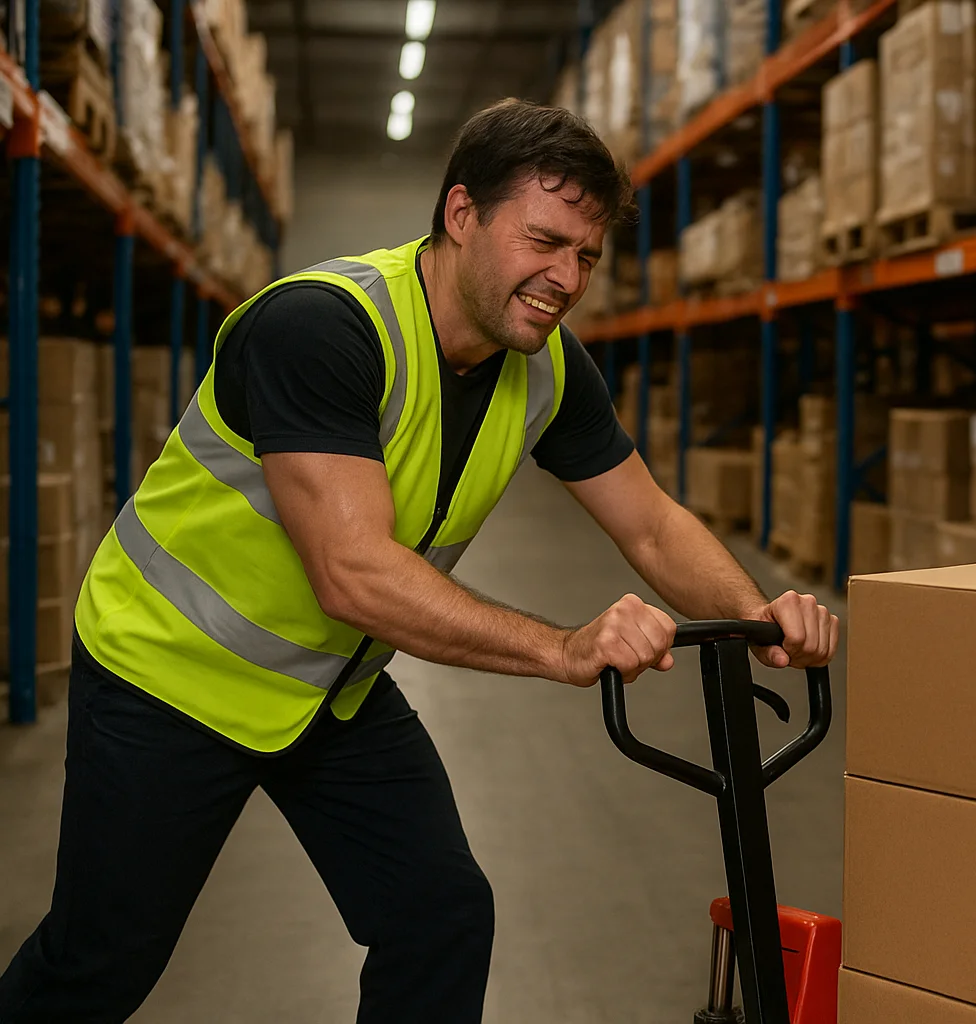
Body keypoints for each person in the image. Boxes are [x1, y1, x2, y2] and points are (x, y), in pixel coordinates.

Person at [0, 100, 839, 1023]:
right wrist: (563, 648)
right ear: (461, 214)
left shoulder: (547, 369)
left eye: (587, 257)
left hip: (328, 688)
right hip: (171, 676)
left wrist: (761, 614)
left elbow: (651, 526)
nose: (565, 278)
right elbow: (353, 572)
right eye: (545, 241)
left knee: (438, 914)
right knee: (99, 966)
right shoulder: (323, 327)